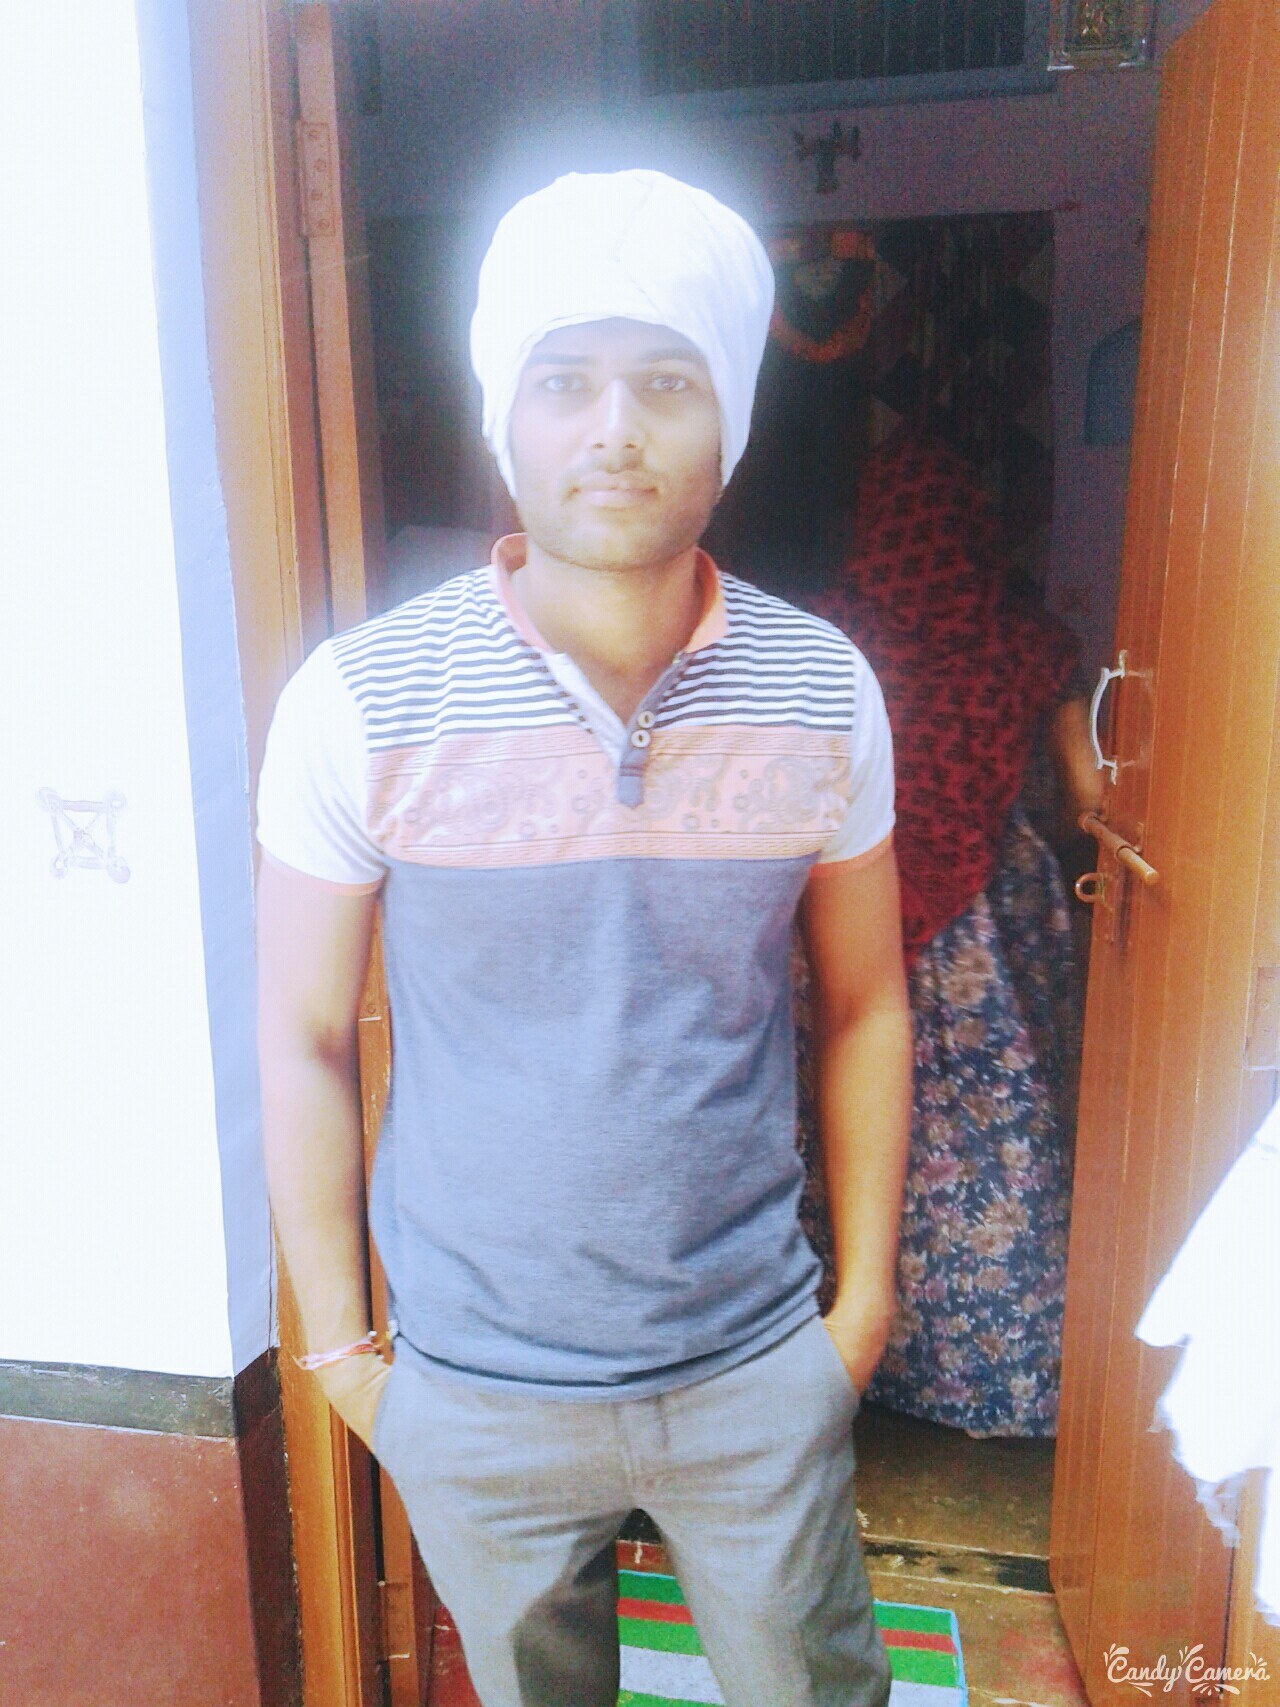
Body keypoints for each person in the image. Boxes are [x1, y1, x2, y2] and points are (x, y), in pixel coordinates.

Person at [255, 170, 912, 1707]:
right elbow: (297, 1033)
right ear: (506, 418)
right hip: (473, 1386)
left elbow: (870, 1001)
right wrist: (345, 1356)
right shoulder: (360, 700)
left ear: (730, 418)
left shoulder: (823, 688)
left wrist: (858, 1312)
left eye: (667, 380)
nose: (615, 426)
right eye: (566, 380)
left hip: (754, 1364)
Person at [793, 435, 1102, 1438]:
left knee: (846, 1121)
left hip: (846, 908)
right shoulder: (1031, 644)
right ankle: (996, 1373)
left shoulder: (825, 637)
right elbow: (1088, 798)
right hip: (986, 934)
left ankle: (839, 1347)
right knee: (989, 1141)